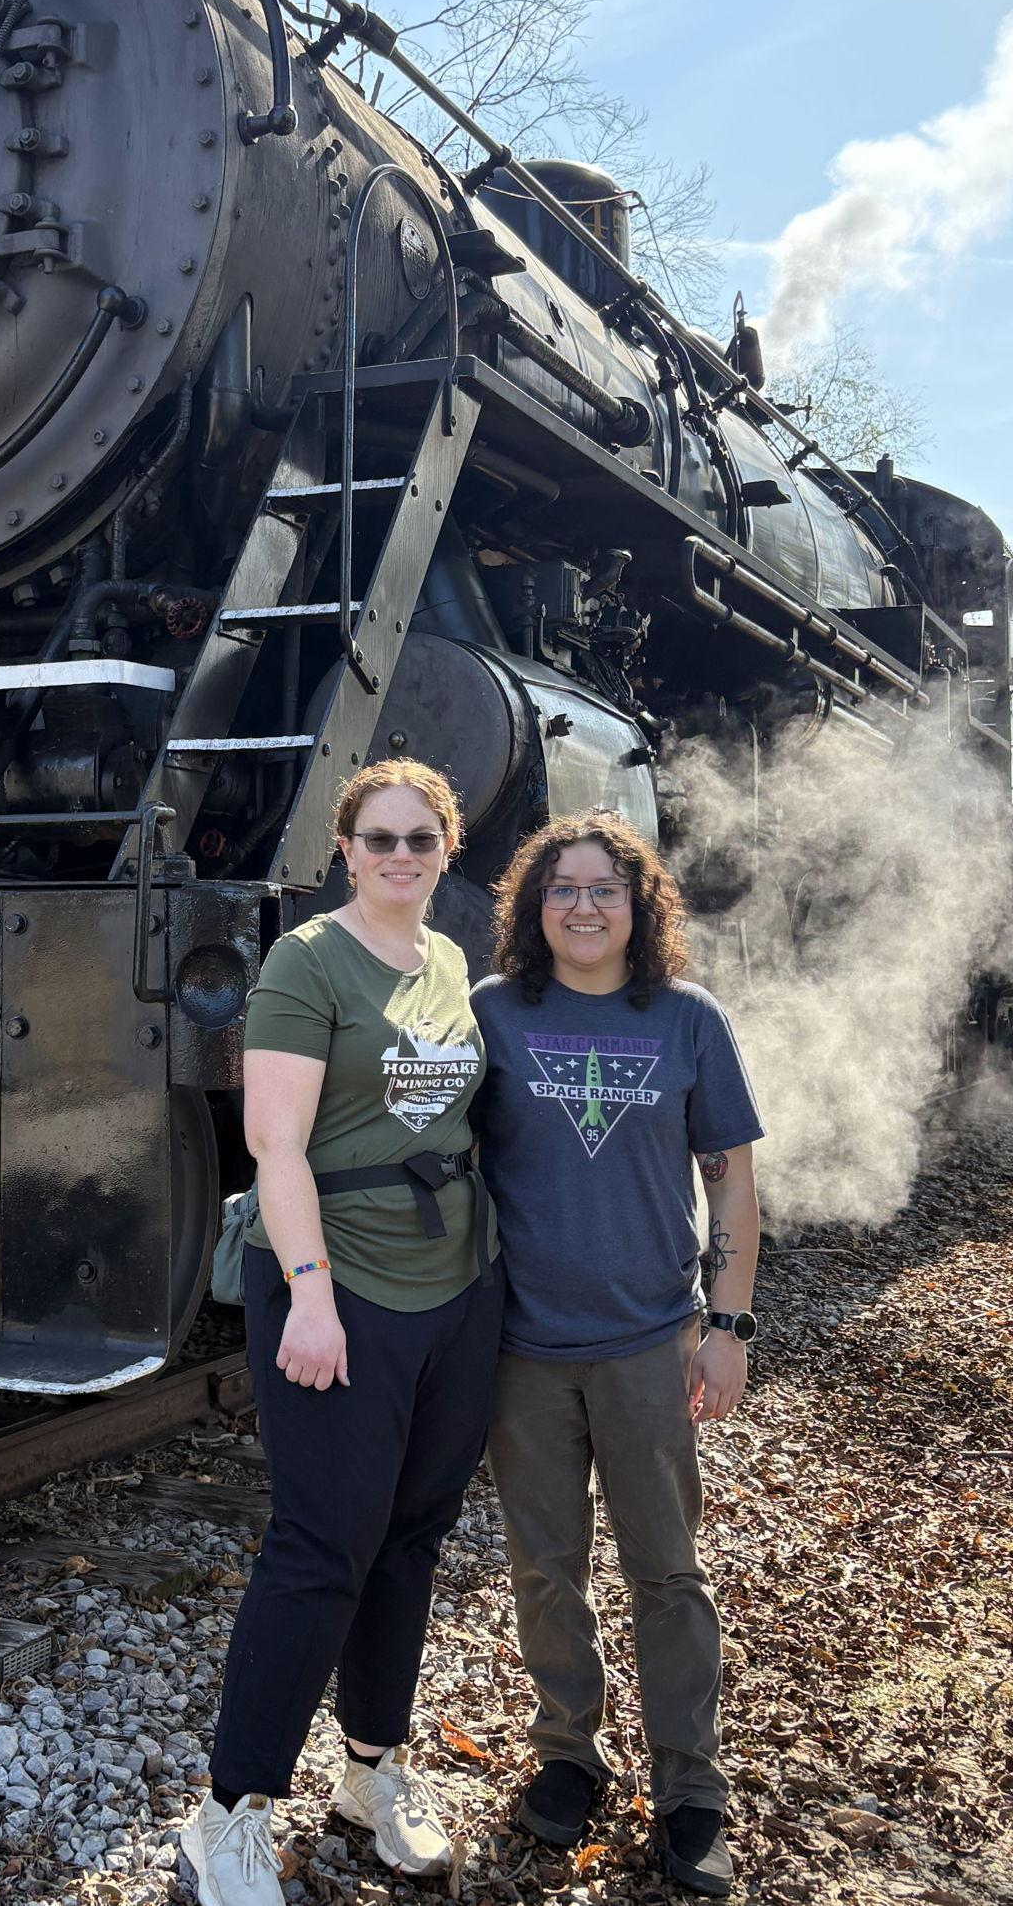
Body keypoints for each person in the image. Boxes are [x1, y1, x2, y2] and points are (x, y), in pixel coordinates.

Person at [180, 761, 502, 1906]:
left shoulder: (449, 960)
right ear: (346, 848)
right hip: (339, 1284)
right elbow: (275, 1146)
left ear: (445, 848)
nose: (399, 855)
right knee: (322, 1543)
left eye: (420, 838)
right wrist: (307, 1293)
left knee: (410, 1532)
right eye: (379, 838)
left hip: (454, 1286)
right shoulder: (305, 960)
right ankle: (227, 1813)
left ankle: (371, 1769)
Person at [471, 810, 764, 1899]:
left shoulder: (686, 1020)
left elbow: (729, 1177)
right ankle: (566, 1755)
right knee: (544, 1569)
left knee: (666, 1573)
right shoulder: (492, 1015)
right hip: (522, 1350)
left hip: (648, 1343)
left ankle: (690, 1790)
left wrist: (726, 1326)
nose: (582, 906)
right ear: (530, 909)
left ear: (638, 907)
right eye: (561, 890)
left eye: (604, 888)